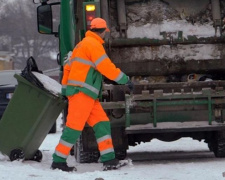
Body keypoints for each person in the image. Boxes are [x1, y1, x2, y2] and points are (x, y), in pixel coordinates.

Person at [51, 17, 133, 172]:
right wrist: (124, 79)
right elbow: (106, 67)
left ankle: (109, 160)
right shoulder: (93, 45)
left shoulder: (81, 45)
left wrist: (64, 90)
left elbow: (67, 68)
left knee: (102, 124)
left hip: (86, 94)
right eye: (105, 33)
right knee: (74, 128)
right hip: (82, 93)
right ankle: (58, 161)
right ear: (103, 32)